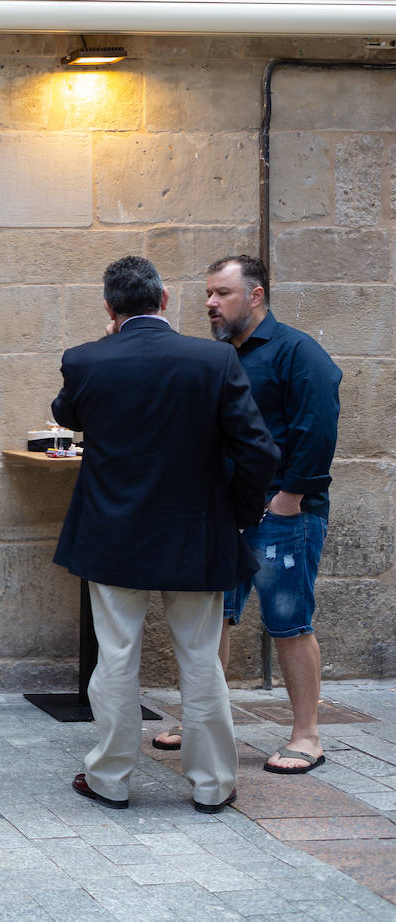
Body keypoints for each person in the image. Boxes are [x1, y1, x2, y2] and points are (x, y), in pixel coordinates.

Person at [53, 256, 277, 813]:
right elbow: (259, 450)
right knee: (200, 660)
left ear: (109, 307)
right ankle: (212, 784)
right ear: (166, 299)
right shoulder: (214, 358)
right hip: (196, 532)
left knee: (117, 656)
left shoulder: (86, 360)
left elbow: (66, 413)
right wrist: (242, 513)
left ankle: (109, 778)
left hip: (113, 534)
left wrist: (102, 350)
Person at [153, 256, 341, 774]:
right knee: (211, 617)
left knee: (289, 623)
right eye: (209, 294)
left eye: (222, 293)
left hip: (284, 513)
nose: (211, 303)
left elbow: (318, 428)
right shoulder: (215, 356)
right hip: (220, 512)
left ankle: (307, 736)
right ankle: (202, 720)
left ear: (255, 296)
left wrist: (290, 499)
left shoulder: (298, 352)